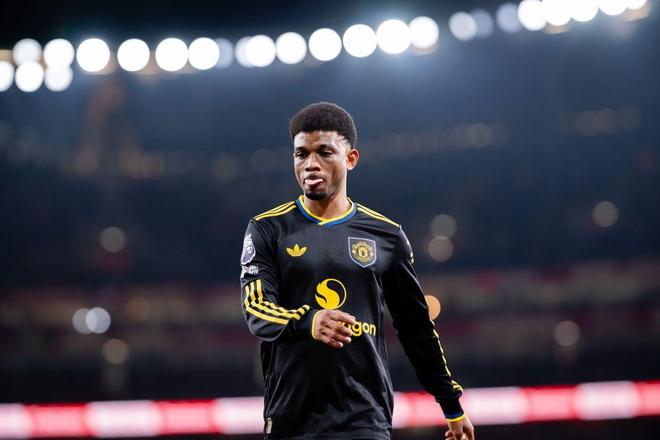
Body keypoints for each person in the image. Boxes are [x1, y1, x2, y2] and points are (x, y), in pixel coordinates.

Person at [240, 102, 474, 440]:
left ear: (351, 158)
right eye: (301, 154)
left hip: (364, 417)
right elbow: (256, 309)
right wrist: (309, 322)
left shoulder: (386, 236)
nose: (311, 164)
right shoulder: (267, 229)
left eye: (324, 152)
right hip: (292, 417)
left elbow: (416, 328)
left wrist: (451, 405)